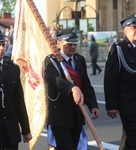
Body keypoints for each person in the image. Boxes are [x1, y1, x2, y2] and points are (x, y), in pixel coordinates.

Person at [44, 28, 99, 150]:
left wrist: (93, 105)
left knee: (73, 147)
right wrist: (72, 88)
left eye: (75, 44)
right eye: (69, 44)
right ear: (59, 43)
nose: (73, 47)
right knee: (65, 147)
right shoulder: (51, 60)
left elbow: (86, 85)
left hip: (77, 114)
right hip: (59, 115)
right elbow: (54, 80)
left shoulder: (79, 59)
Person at [0, 27, 32, 149]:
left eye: (3, 45)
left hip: (10, 131)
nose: (1, 48)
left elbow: (19, 101)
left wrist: (26, 129)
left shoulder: (12, 68)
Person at [104, 13, 136, 149]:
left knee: (129, 137)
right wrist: (111, 105)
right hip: (128, 102)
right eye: (135, 28)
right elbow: (110, 79)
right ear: (126, 30)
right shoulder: (118, 49)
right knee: (133, 136)